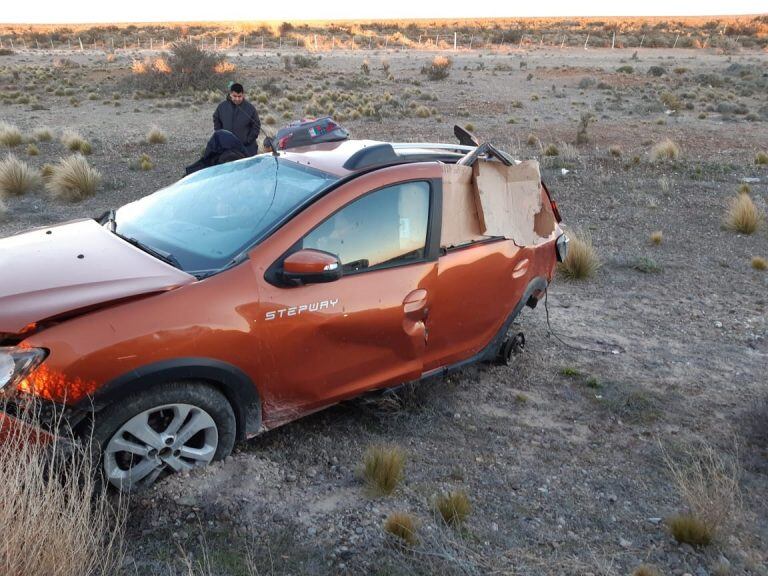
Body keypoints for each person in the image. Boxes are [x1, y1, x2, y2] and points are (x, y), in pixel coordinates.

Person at [213, 82, 261, 156]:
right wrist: (220, 134)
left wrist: (248, 140)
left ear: (243, 95)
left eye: (239, 96)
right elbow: (216, 119)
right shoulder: (222, 107)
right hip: (227, 148)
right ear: (230, 94)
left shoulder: (250, 108)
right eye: (235, 96)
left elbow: (256, 126)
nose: (237, 99)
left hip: (246, 148)